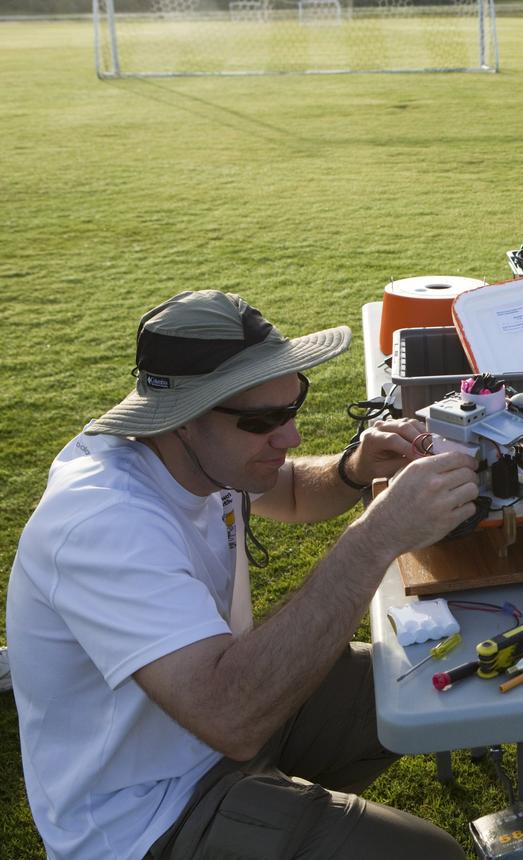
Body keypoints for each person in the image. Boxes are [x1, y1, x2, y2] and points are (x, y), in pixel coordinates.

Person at [6, 290, 480, 859]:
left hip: (210, 734)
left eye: (293, 404)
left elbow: (296, 491)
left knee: (404, 680)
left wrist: (355, 469)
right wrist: (376, 537)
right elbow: (229, 717)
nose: (291, 437)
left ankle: (274, 809)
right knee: (432, 856)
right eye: (263, 420)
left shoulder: (202, 455)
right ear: (180, 420)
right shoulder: (103, 521)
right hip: (147, 815)